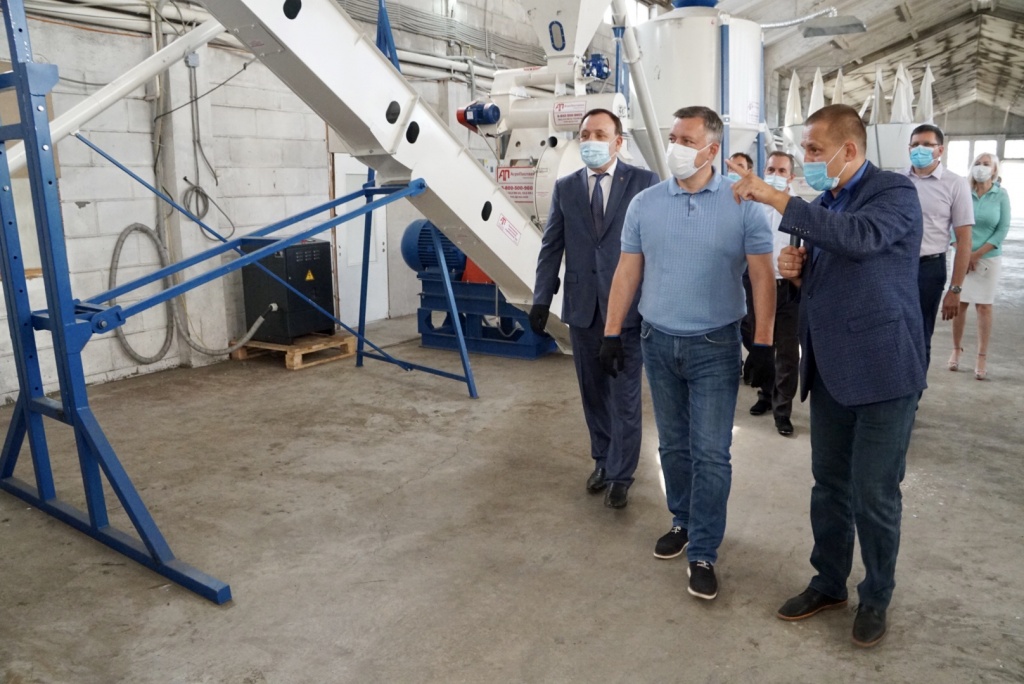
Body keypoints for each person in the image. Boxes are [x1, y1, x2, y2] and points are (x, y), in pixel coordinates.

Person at [728, 104, 926, 648]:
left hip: (884, 370)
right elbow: (830, 275)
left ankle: (876, 596)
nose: (807, 159)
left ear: (849, 150)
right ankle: (829, 582)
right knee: (830, 487)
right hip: (832, 369)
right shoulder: (822, 204)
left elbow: (861, 238)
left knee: (874, 494)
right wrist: (799, 275)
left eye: (814, 150)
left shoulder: (893, 193)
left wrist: (777, 199)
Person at [601, 106, 776, 600]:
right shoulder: (647, 203)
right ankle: (682, 519)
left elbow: (762, 277)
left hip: (715, 346)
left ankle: (703, 549)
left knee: (711, 453)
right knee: (673, 446)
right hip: (657, 342)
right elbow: (628, 270)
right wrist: (612, 331)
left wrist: (764, 343)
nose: (675, 146)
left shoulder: (744, 204)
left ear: (712, 150)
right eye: (673, 137)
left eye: (686, 139)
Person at [530, 108, 659, 509]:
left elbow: (655, 247)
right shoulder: (566, 187)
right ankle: (603, 461)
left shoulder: (643, 182)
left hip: (630, 310)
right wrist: (541, 298)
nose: (590, 141)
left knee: (624, 395)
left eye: (600, 135)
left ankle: (621, 475)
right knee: (593, 393)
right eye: (585, 135)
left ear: (618, 142)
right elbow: (552, 245)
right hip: (583, 308)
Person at [904, 124, 973, 371]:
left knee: (920, 333)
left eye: (926, 145)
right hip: (896, 266)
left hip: (929, 269)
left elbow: (964, 240)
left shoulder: (955, 184)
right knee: (891, 329)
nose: (919, 149)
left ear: (940, 150)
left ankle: (913, 391)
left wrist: (955, 289)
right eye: (915, 145)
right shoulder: (897, 181)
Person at [743, 151, 801, 436]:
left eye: (781, 171)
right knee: (760, 344)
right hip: (755, 287)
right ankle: (765, 394)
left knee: (788, 353)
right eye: (771, 170)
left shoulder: (799, 209)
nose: (775, 175)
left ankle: (782, 410)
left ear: (791, 177)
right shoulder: (751, 206)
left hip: (788, 289)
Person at [950, 153, 1011, 380]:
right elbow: (951, 225)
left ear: (994, 170)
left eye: (986, 164)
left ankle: (981, 355)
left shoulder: (1001, 195)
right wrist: (963, 254)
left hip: (988, 258)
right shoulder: (962, 192)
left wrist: (976, 255)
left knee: (984, 307)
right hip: (961, 256)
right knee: (959, 304)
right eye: (977, 163)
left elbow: (1002, 229)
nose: (981, 167)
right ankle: (956, 349)